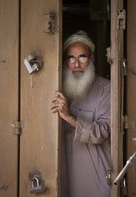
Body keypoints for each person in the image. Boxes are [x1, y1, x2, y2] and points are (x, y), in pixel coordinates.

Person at [50, 30, 112, 197]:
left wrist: (69, 117)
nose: (76, 64)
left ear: (91, 59)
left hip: (94, 177)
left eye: (82, 57)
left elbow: (102, 132)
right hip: (63, 174)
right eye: (71, 58)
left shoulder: (105, 88)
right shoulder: (56, 88)